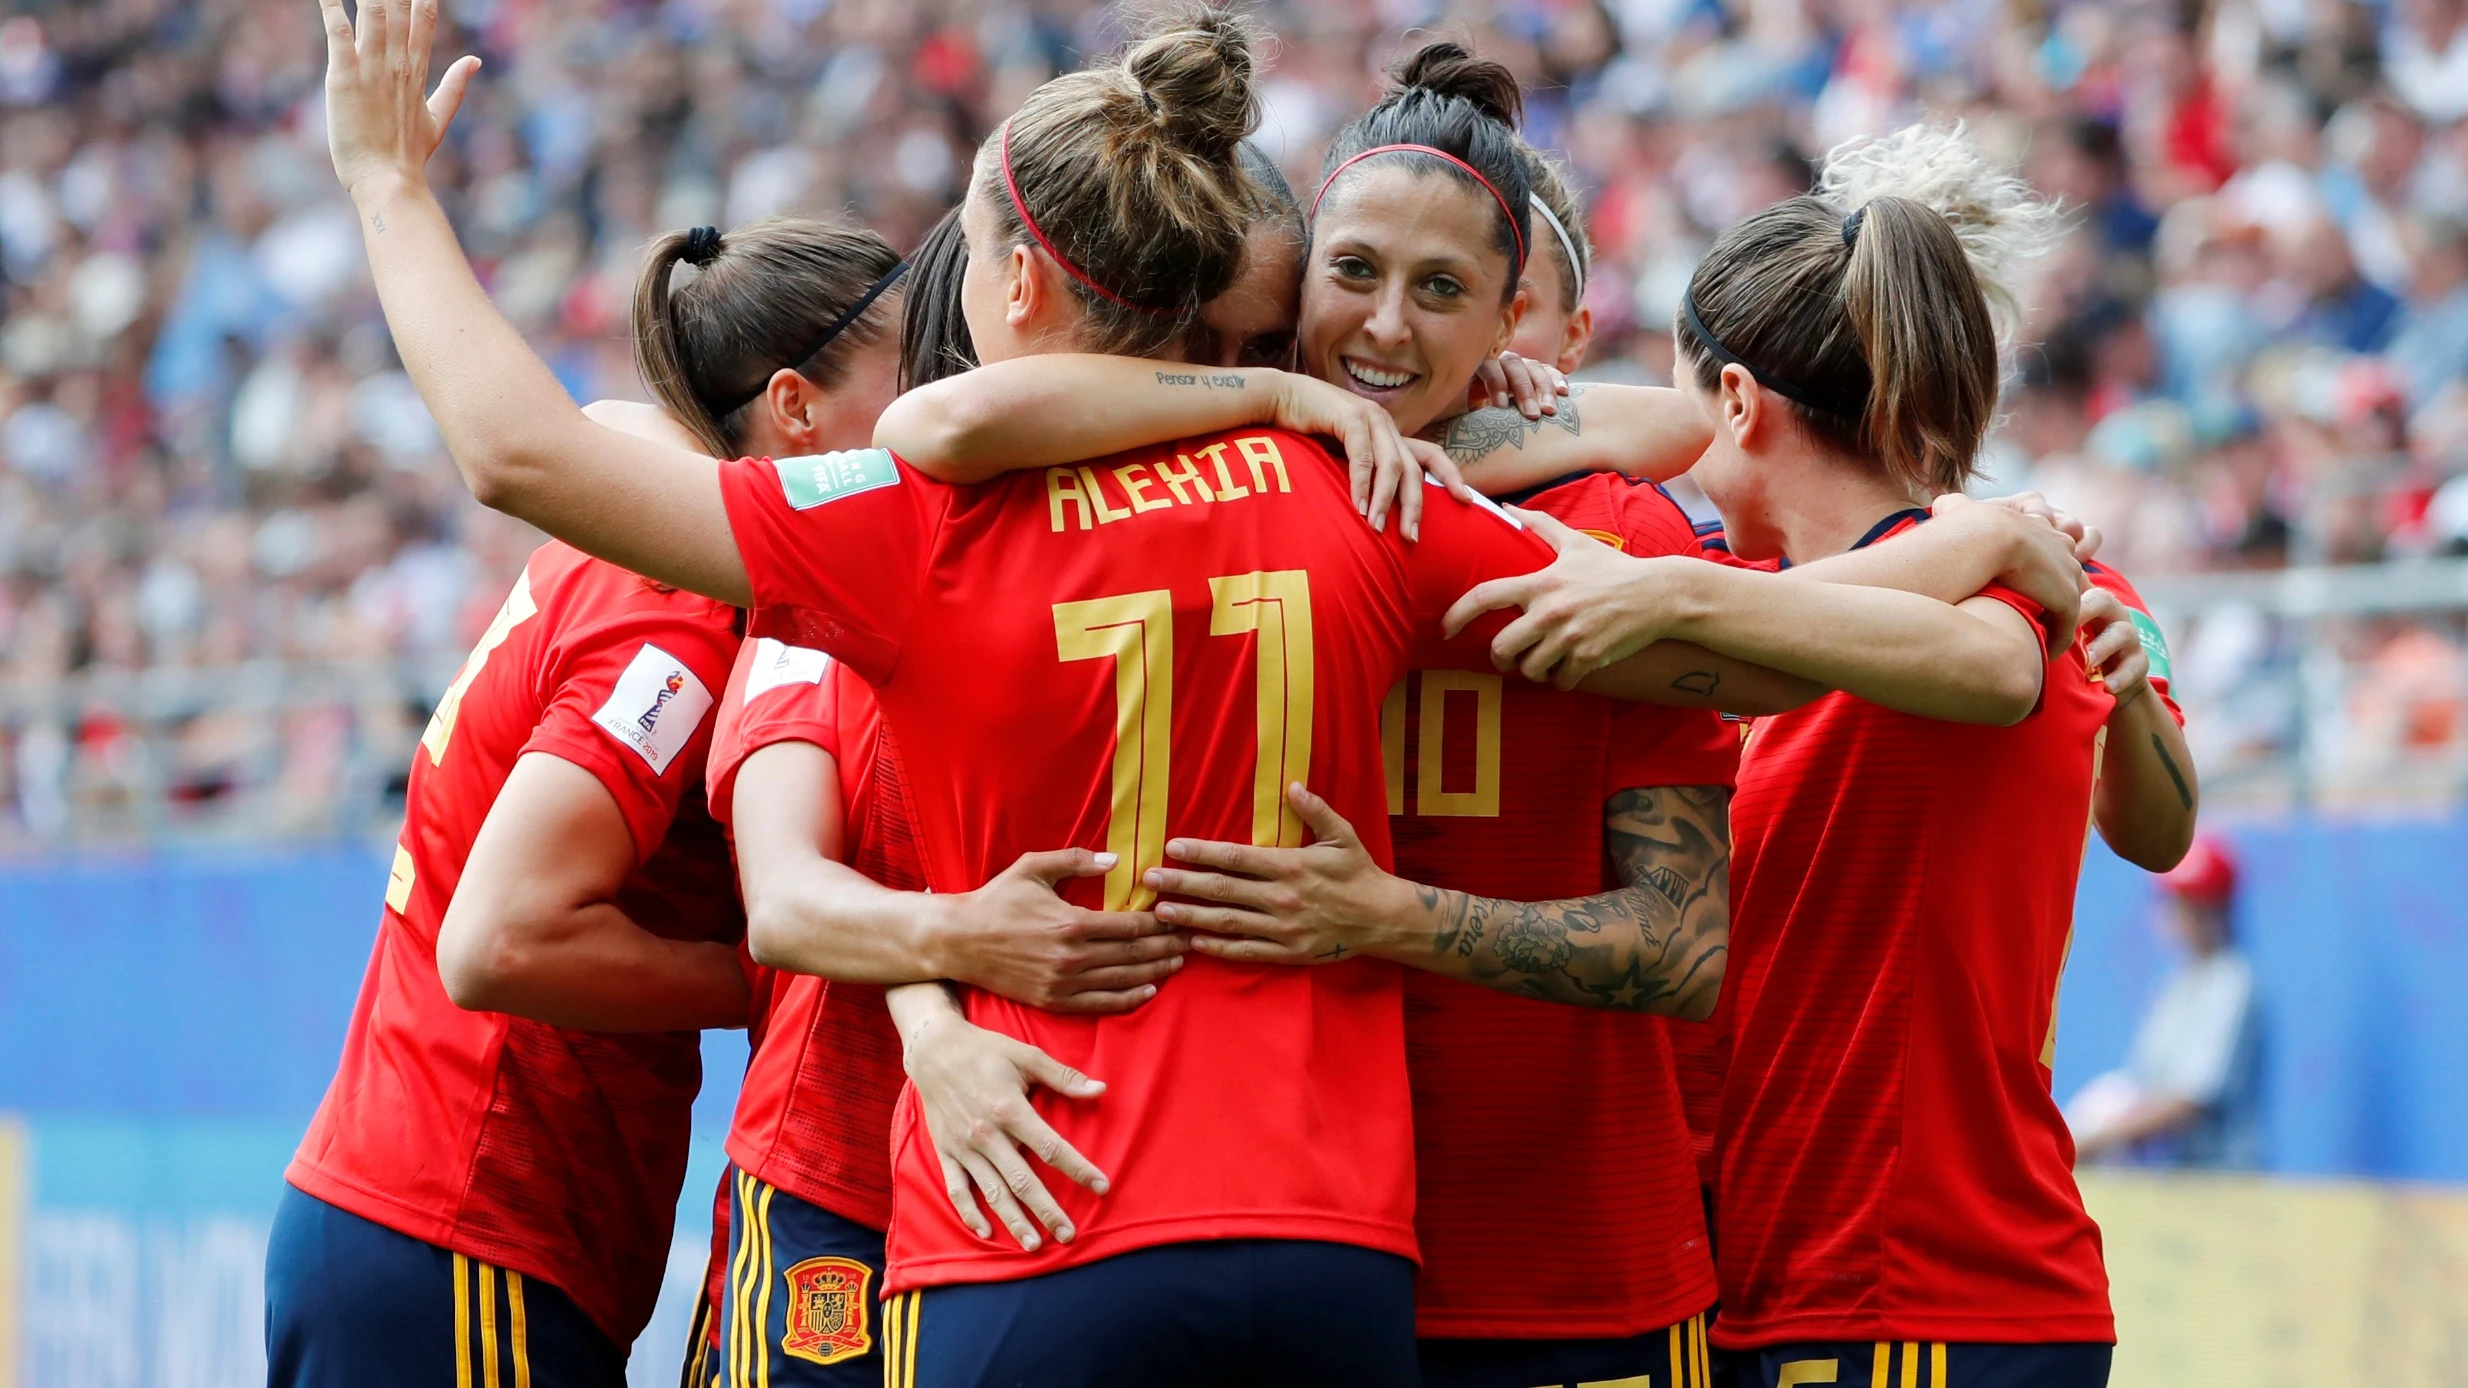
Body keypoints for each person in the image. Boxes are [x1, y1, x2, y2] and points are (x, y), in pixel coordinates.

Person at [870, 49, 2110, 1388]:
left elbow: (1682, 943)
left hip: (1574, 1284)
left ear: (1514, 324)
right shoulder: (1139, 524)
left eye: (1443, 290)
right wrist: (930, 1017)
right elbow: (923, 848)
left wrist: (1391, 915)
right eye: (1348, 279)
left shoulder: (1602, 531)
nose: (1386, 328)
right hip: (1259, 1236)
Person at [1447, 122, 2151, 1387]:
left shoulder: (2007, 579)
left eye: (1682, 403)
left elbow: (1998, 680)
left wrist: (1664, 593)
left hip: (1913, 1292)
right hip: (1796, 1285)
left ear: (1732, 400)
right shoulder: (1808, 580)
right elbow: (1440, 458)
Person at [585, 218, 1189, 1387]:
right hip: (837, 1187)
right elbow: (790, 898)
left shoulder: (1001, 539)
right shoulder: (817, 598)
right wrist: (931, 1015)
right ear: (799, 410)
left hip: (1023, 1184)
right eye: (916, 359)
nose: (947, 385)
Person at [2066, 835, 2262, 1169]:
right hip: (2170, 1172)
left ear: (2218, 910)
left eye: (2195, 904)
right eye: (2176, 903)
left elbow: (2192, 1100)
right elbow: (2145, 1085)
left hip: (2220, 1176)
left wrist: (2095, 1137)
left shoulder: (2233, 983)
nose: (2180, 917)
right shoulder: (2176, 983)